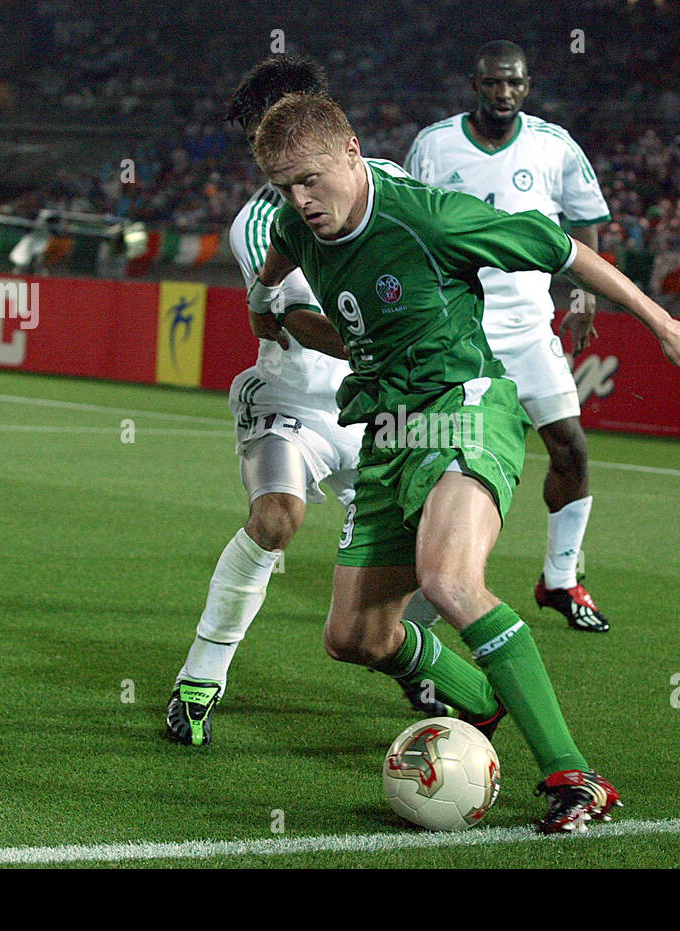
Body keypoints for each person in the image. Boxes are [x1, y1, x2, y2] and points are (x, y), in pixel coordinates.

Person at [248, 92, 680, 832]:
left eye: (309, 179)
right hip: (388, 434)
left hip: (463, 408)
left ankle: (577, 778)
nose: (300, 200)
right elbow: (279, 266)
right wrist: (264, 299)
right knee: (354, 637)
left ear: (352, 152)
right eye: (282, 186)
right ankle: (482, 692)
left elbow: (567, 251)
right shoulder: (293, 225)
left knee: (450, 580)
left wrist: (662, 323)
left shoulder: (428, 216)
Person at [163, 57, 447, 748]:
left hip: (383, 410)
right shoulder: (258, 223)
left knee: (440, 558)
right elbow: (292, 318)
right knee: (276, 517)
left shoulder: (394, 185)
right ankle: (200, 679)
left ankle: (408, 656)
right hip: (297, 399)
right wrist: (388, 346)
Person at [404, 40, 613, 632]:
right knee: (446, 458)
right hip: (459, 329)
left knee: (570, 447)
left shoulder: (553, 145)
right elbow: (412, 221)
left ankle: (560, 579)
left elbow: (586, 219)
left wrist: (585, 292)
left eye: (514, 84)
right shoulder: (434, 144)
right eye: (493, 83)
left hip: (527, 328)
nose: (504, 93)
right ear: (476, 83)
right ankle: (440, 581)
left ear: (527, 85)